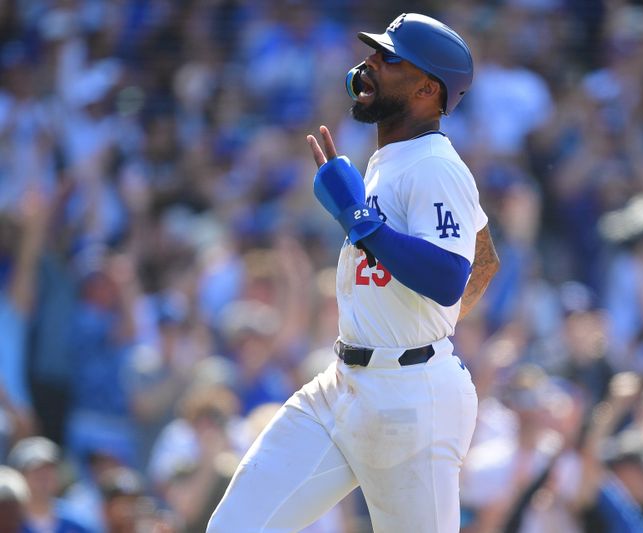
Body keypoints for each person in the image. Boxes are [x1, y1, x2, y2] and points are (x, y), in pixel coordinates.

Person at [208, 12, 499, 533]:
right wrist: (422, 318)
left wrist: (363, 224)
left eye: (387, 58)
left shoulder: (435, 163)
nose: (368, 63)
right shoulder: (393, 157)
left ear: (427, 89)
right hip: (341, 385)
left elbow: (452, 277)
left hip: (411, 401)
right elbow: (484, 258)